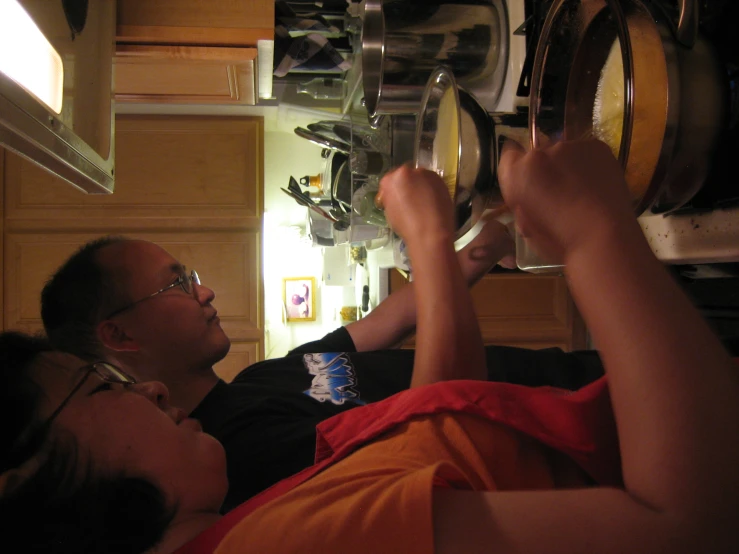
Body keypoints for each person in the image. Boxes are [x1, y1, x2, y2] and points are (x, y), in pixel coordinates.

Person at [40, 212, 604, 511]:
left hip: (573, 380)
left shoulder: (257, 382)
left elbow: (389, 322)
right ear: (119, 334)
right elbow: (443, 427)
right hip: (576, 443)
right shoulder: (238, 453)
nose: (203, 292)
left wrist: (484, 245)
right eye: (176, 283)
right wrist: (428, 235)